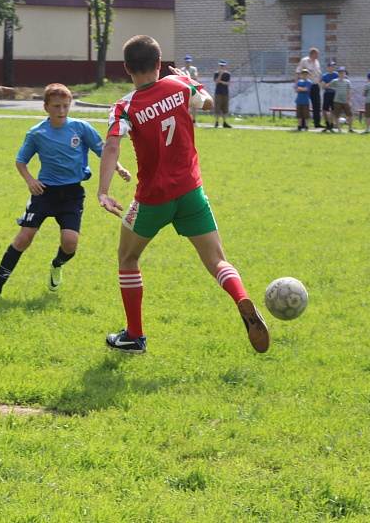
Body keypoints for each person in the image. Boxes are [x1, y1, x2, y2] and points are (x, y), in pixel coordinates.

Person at [97, 35, 270, 355]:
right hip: (191, 192)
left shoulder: (124, 106)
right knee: (217, 259)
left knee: (128, 257)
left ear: (127, 69)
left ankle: (134, 336)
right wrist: (190, 80)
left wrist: (104, 192)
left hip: (153, 198)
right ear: (159, 64)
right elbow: (205, 102)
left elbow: (112, 144)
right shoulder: (179, 87)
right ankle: (240, 297)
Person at [0, 83, 131, 301]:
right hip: (44, 192)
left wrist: (119, 167)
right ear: (46, 107)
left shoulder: (81, 128)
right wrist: (30, 181)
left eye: (65, 106)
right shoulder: (36, 133)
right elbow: (21, 161)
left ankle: (56, 265)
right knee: (24, 238)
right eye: (56, 106)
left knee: (70, 242)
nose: (61, 111)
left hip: (72, 194)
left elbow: (104, 151)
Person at [294, 48, 323, 128]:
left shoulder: (317, 62)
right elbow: (298, 71)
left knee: (317, 104)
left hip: (315, 85)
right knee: (304, 104)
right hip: (306, 84)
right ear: (313, 53)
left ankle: (317, 123)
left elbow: (318, 73)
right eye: (317, 54)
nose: (318, 55)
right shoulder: (304, 60)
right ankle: (303, 124)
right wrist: (296, 84)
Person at [329, 66, 355, 133]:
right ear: (338, 74)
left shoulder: (347, 82)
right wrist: (333, 88)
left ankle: (350, 128)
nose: (341, 74)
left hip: (345, 100)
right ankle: (339, 129)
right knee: (337, 115)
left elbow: (349, 91)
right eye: (340, 73)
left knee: (349, 114)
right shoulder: (335, 81)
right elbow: (329, 85)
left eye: (343, 73)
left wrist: (350, 100)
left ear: (345, 73)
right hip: (337, 100)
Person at [320, 61, 339, 131]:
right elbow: (323, 86)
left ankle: (331, 125)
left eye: (334, 66)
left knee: (333, 110)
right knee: (324, 110)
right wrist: (331, 87)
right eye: (331, 66)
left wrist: (328, 85)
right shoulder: (325, 76)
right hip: (327, 94)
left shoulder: (337, 75)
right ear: (328, 67)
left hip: (334, 94)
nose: (333, 68)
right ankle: (327, 123)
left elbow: (337, 85)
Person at [213, 60, 232, 128]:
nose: (222, 67)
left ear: (225, 66)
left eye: (223, 66)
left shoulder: (228, 74)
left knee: (225, 108)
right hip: (218, 92)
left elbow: (228, 83)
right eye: (221, 66)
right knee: (217, 108)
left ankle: (224, 122)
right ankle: (217, 122)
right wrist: (220, 74)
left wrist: (221, 81)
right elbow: (216, 82)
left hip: (225, 93)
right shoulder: (216, 73)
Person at [184, 55, 199, 124]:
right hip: (185, 87)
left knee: (194, 104)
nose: (188, 63)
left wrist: (187, 77)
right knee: (186, 105)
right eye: (187, 62)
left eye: (189, 62)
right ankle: (187, 120)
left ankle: (194, 120)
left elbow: (195, 76)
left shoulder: (193, 69)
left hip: (192, 87)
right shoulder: (182, 69)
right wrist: (189, 77)